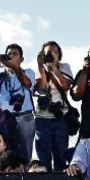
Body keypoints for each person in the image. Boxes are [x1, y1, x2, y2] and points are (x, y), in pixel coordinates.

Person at [32, 41, 74, 171]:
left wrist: (54, 68)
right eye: (48, 53)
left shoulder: (64, 67)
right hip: (42, 118)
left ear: (59, 54)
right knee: (43, 158)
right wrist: (41, 67)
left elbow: (65, 86)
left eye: (54, 52)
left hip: (60, 117)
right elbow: (42, 88)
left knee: (61, 157)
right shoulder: (39, 69)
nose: (51, 55)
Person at [0, 43, 35, 162]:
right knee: (5, 153)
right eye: (8, 54)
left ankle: (25, 172)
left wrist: (15, 68)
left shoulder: (28, 72)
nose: (11, 56)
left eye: (15, 54)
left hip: (25, 117)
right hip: (4, 118)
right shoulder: (0, 75)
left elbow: (27, 84)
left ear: (21, 59)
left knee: (25, 153)